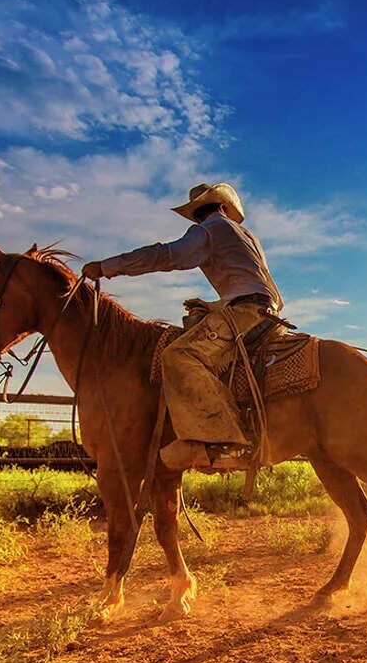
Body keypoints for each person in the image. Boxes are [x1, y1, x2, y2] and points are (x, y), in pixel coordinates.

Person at [82, 183, 283, 472]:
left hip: (245, 312)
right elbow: (262, 286)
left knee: (179, 356)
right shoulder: (247, 236)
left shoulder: (207, 231)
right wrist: (218, 306)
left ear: (195, 215)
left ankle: (222, 442)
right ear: (224, 207)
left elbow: (167, 256)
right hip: (269, 312)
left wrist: (107, 266)